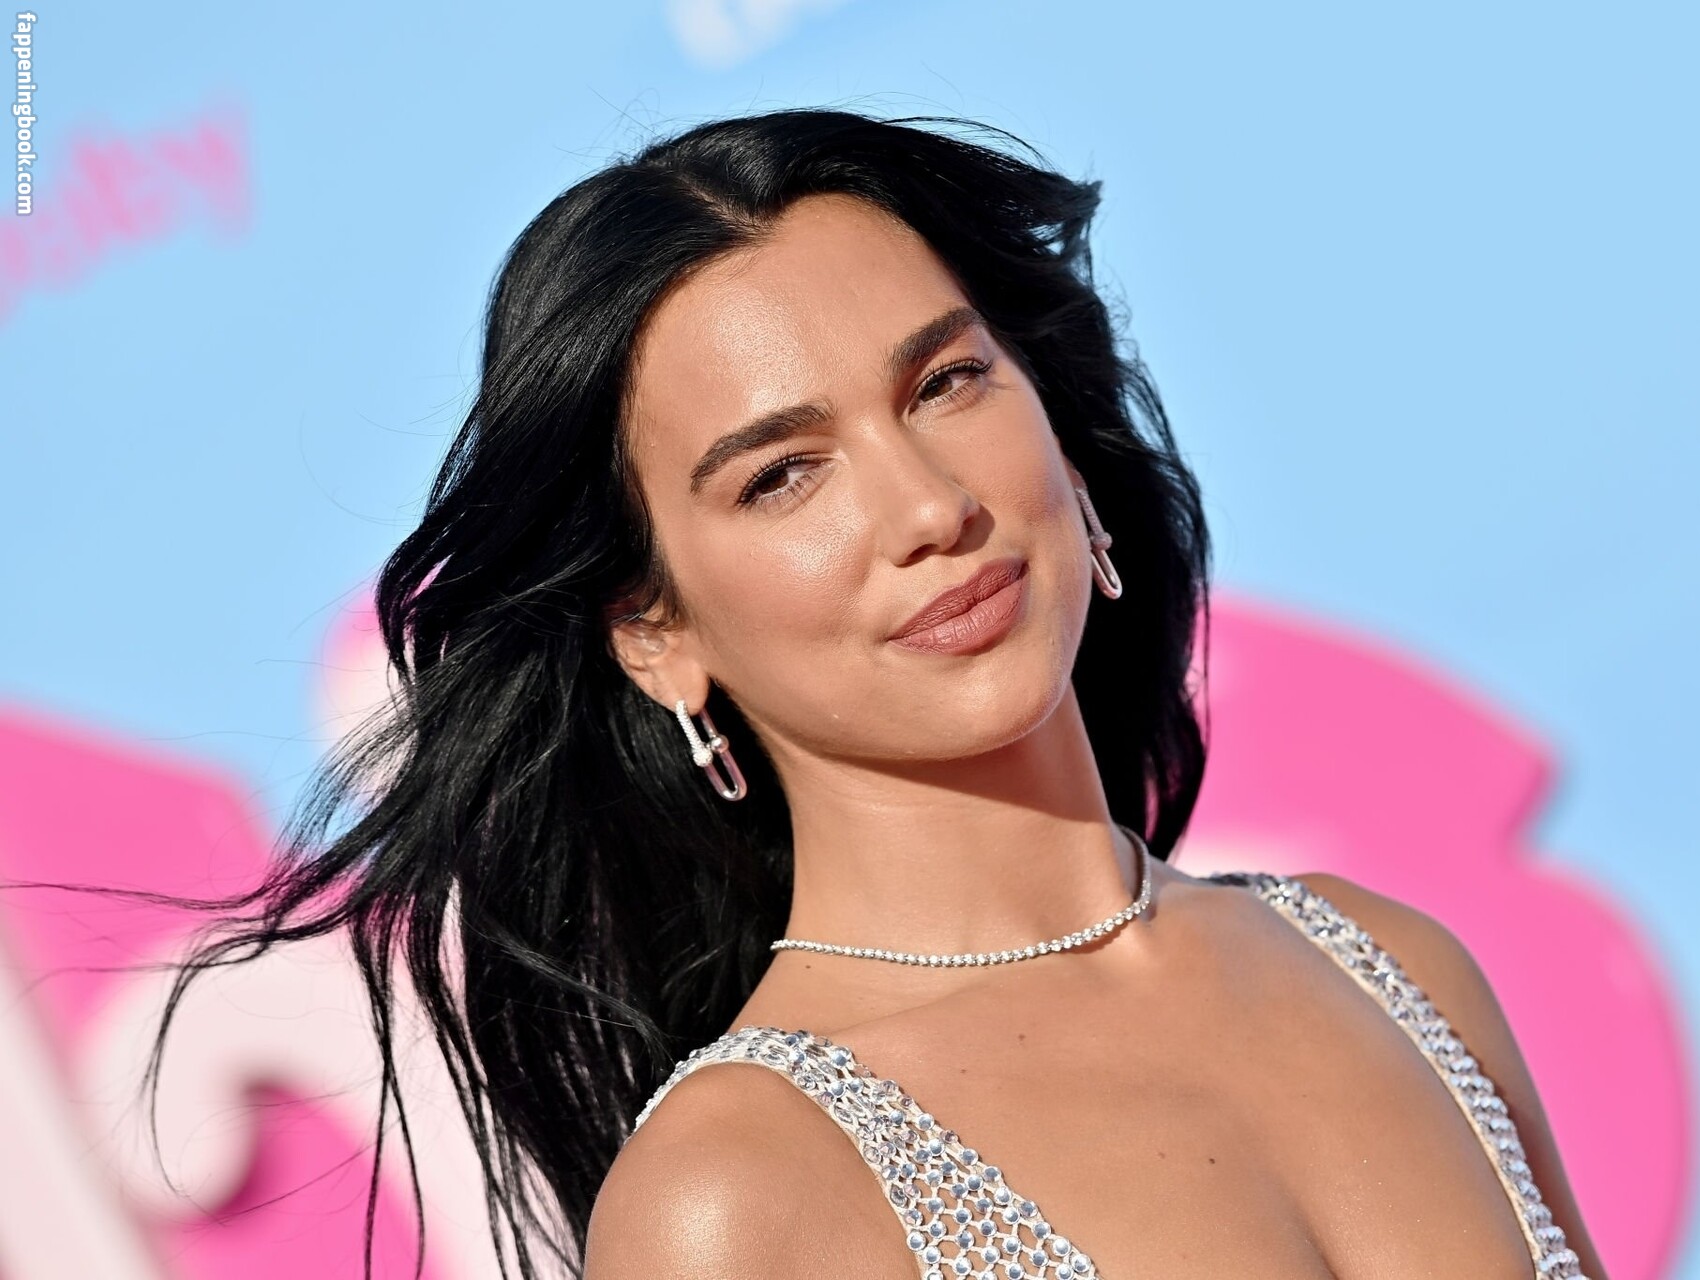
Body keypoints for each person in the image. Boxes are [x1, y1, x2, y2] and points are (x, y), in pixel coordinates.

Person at [160, 107, 1606, 1279]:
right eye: (783, 475)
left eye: (945, 385)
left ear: (1057, 422)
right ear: (656, 632)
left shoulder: (1391, 966)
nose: (927, 507)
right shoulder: (743, 1197)